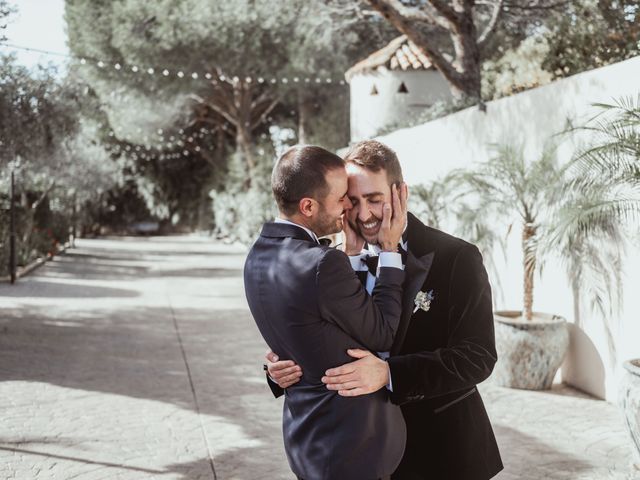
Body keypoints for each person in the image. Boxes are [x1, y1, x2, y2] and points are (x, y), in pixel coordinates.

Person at [267, 140, 503, 480]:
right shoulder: (327, 263)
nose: (364, 215)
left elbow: (477, 356)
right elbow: (313, 335)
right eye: (353, 201)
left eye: (375, 200)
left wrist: (389, 374)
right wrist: (278, 369)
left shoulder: (457, 258)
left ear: (401, 193)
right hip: (356, 455)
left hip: (439, 452)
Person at [244, 145, 410, 480]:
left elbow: (306, 331)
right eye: (341, 198)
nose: (349, 206)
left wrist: (276, 367)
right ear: (308, 206)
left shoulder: (257, 256)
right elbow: (381, 333)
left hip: (306, 442)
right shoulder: (322, 262)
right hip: (350, 448)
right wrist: (390, 251)